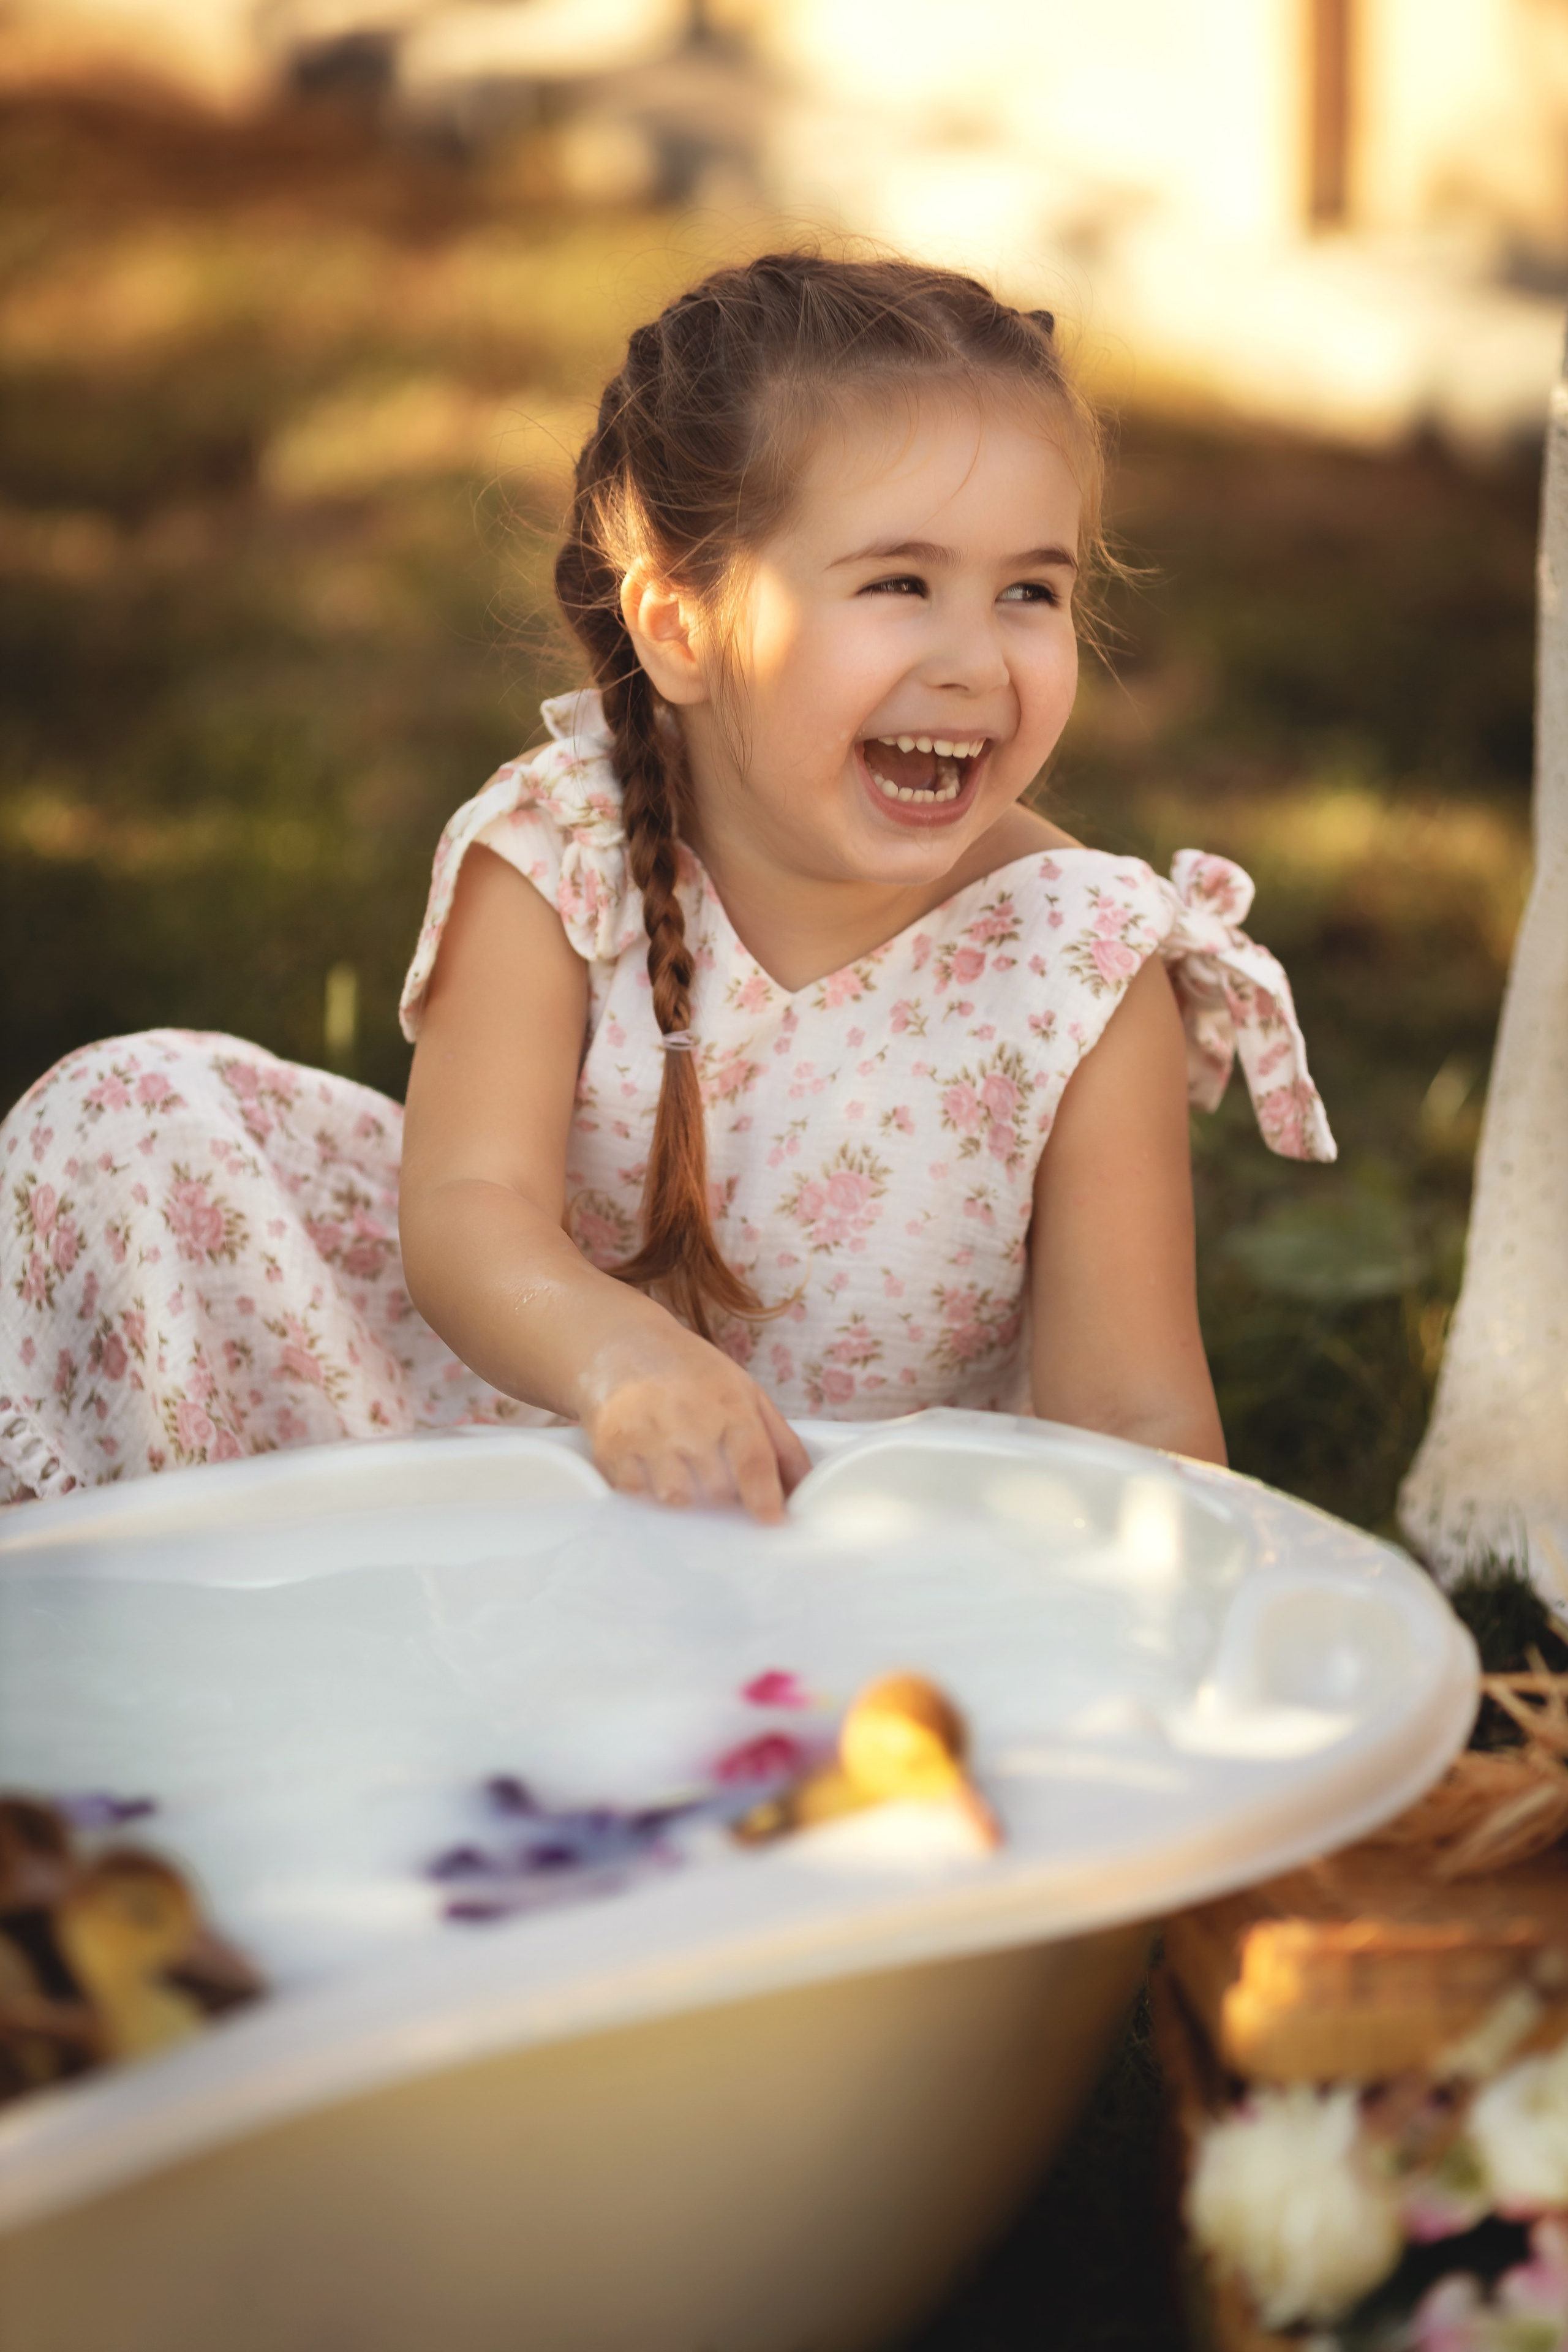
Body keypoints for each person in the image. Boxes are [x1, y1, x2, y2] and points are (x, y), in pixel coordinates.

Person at [0, 253, 1334, 1519]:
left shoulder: (1079, 968)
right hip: (523, 1448)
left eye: (1030, 594)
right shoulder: (564, 857)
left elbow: (1134, 1415)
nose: (975, 661)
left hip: (860, 1546)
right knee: (129, 1110)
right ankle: (192, 1607)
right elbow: (469, 1210)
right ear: (680, 629)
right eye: (899, 582)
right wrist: (617, 1360)